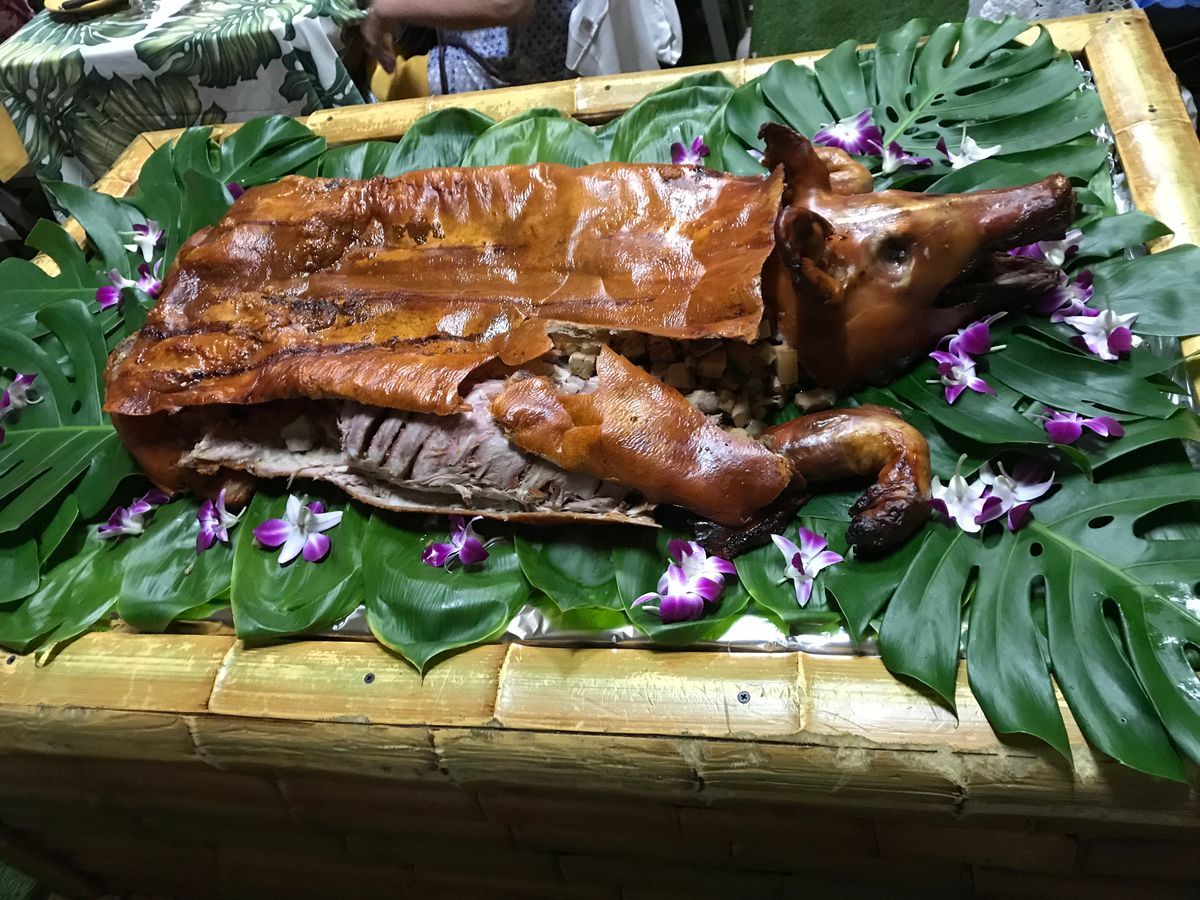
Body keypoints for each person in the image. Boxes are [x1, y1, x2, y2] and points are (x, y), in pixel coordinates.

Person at [362, 0, 580, 99]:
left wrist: (389, 8)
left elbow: (506, 5)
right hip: (474, 33)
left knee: (384, 87)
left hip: (512, 56)